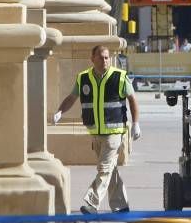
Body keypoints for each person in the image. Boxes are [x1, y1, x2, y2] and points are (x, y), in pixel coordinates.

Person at [54, 45, 140, 214]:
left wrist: (136, 123)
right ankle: (121, 205)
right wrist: (59, 111)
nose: (105, 60)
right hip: (96, 133)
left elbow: (132, 100)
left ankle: (91, 203)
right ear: (92, 59)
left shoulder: (119, 77)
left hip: (114, 133)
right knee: (110, 170)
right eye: (101, 57)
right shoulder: (83, 78)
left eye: (107, 57)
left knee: (104, 169)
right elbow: (72, 98)